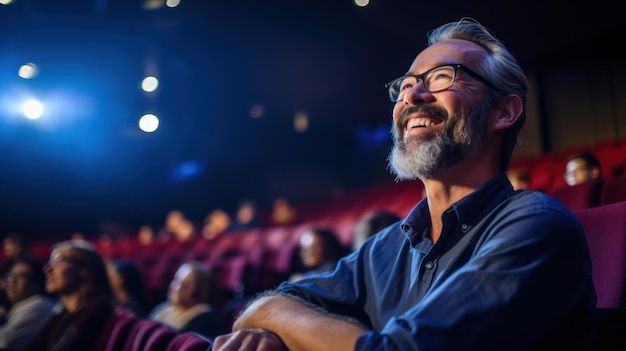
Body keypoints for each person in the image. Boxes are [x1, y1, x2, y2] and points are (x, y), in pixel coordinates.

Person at [213, 18, 596, 351]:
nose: (412, 95)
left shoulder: (537, 226)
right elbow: (268, 304)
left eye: (443, 77)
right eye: (407, 84)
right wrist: (269, 320)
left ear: (503, 112)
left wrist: (279, 323)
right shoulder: (387, 246)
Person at [26, 240, 115, 351]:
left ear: (84, 270)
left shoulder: (96, 315)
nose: (47, 268)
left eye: (57, 262)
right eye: (49, 262)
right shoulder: (61, 315)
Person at [148, 261, 223, 339]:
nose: (177, 288)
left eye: (188, 284)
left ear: (203, 290)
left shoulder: (206, 319)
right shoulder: (163, 310)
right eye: (177, 280)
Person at [0, 258, 56, 351]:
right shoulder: (21, 306)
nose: (12, 281)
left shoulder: (39, 305)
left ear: (37, 283)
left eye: (21, 276)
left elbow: (3, 341)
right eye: (10, 276)